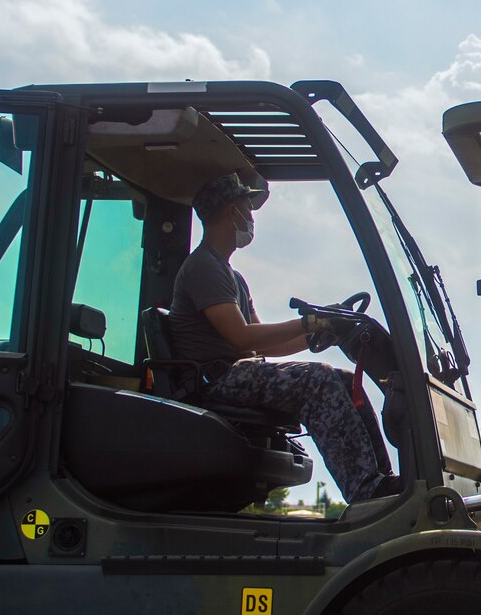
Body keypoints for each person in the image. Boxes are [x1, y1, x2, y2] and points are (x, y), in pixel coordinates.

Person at [167, 171, 396, 503]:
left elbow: (262, 344)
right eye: (248, 205)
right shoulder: (203, 267)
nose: (251, 214)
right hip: (217, 379)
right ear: (231, 210)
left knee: (346, 381)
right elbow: (241, 338)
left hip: (240, 374)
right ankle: (365, 489)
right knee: (316, 381)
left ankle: (383, 483)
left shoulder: (231, 275)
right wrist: (309, 322)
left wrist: (321, 332)